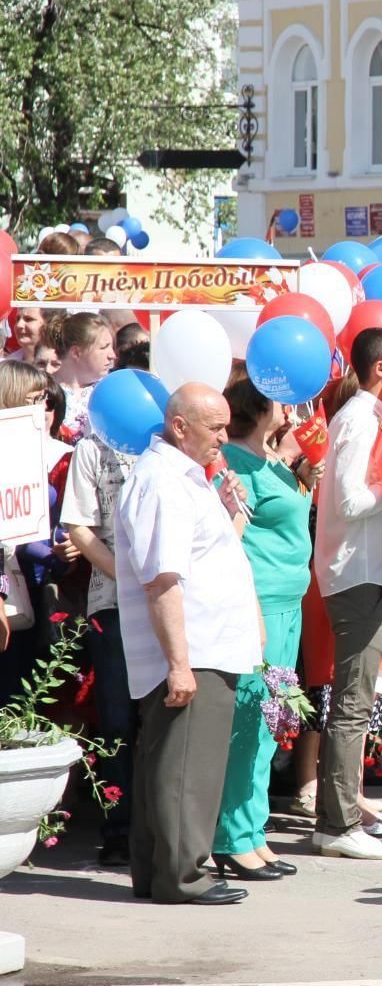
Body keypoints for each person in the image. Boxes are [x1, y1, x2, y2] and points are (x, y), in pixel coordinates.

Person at [117, 383, 261, 905]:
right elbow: (163, 578)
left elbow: (204, 558)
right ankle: (182, 875)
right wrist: (180, 664)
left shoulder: (184, 476)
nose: (225, 437)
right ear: (180, 426)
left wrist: (229, 511)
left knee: (175, 765)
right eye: (215, 428)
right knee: (184, 771)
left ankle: (164, 872)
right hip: (192, 650)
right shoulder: (162, 479)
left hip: (207, 645)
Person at [212, 379, 317, 882]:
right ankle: (232, 836)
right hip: (262, 605)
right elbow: (233, 537)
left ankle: (253, 831)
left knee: (272, 720)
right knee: (251, 721)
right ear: (258, 409)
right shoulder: (235, 464)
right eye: (281, 400)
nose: (290, 407)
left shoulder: (270, 457)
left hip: (289, 604)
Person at [311, 328, 382, 860]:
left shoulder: (372, 417)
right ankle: (338, 824)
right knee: (352, 705)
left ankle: (341, 818)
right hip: (355, 575)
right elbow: (350, 500)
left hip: (368, 573)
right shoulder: (358, 419)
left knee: (356, 702)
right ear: (381, 368)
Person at [59, 389, 141, 867]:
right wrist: (123, 575)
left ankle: (154, 824)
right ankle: (119, 828)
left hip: (166, 600)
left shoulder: (164, 444)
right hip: (111, 603)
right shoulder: (91, 449)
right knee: (115, 721)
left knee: (158, 718)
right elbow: (79, 528)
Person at [47, 312, 114, 443]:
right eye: (104, 347)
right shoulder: (42, 389)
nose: (112, 355)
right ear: (76, 352)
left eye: (111, 346)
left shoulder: (112, 390)